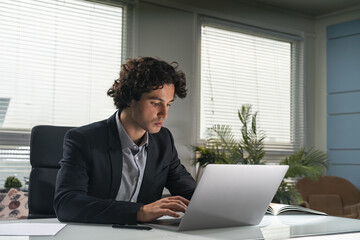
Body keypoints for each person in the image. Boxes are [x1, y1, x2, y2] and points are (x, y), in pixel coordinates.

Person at [54, 57, 196, 224]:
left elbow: (190, 192)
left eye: (168, 104)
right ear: (130, 99)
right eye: (155, 103)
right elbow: (66, 204)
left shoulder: (163, 140)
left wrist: (222, 203)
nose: (164, 113)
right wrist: (139, 212)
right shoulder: (84, 139)